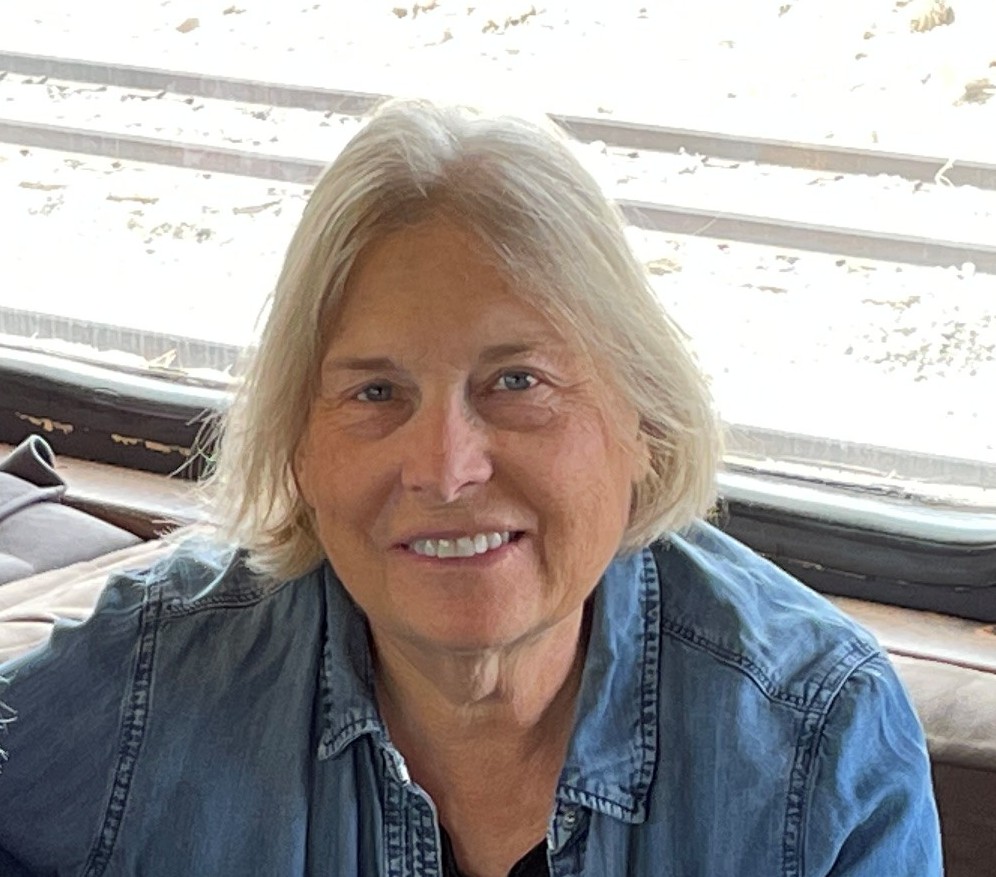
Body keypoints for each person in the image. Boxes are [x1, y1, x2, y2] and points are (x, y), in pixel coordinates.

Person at [0, 99, 941, 877]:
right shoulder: (150, 677)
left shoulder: (817, 738)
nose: (446, 469)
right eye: (376, 393)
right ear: (299, 448)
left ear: (643, 421)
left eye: (516, 382)